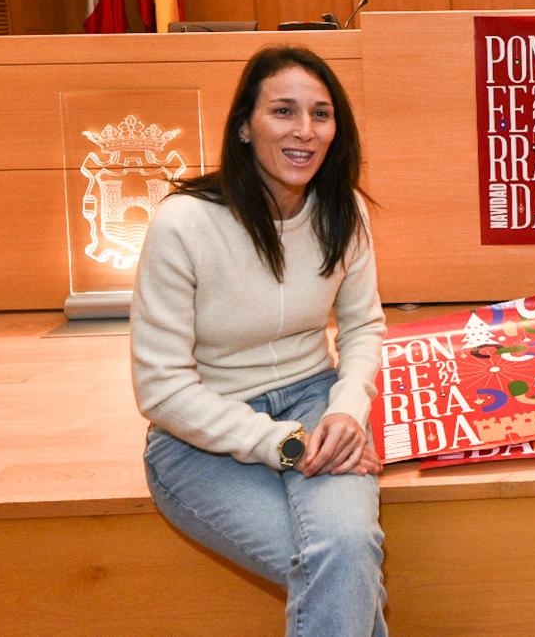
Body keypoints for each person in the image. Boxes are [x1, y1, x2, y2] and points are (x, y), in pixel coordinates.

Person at [131, 45, 388, 637]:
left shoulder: (342, 208)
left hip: (315, 404)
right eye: (283, 112)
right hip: (201, 435)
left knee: (344, 552)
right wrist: (286, 445)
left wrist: (348, 412)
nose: (305, 131)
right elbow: (161, 389)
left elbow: (362, 325)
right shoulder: (184, 224)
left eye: (321, 114)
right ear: (244, 126)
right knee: (342, 563)